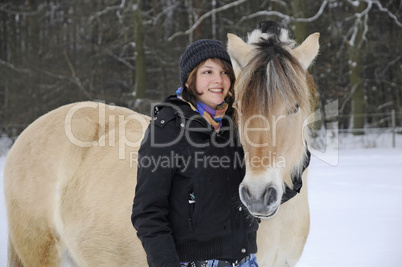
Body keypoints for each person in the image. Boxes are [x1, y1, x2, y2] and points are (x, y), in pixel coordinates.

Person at [131, 39, 259, 267]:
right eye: (207, 72)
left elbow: (263, 188)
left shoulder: (238, 125)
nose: (218, 80)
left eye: (224, 72)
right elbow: (148, 213)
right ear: (190, 80)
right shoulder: (168, 128)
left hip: (245, 261)